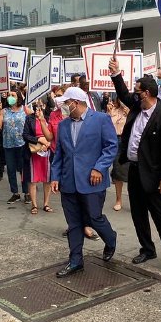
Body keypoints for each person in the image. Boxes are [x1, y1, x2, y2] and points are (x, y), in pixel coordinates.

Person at [109, 58, 161, 275]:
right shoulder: (137, 107)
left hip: (153, 175)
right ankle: (147, 249)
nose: (134, 94)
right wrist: (116, 74)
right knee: (138, 214)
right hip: (134, 170)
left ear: (148, 94)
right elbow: (123, 94)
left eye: (138, 91)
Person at [50, 87, 119, 277]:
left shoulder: (100, 120)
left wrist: (99, 167)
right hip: (69, 182)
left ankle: (110, 239)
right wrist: (55, 176)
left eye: (67, 103)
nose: (64, 106)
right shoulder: (63, 125)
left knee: (94, 218)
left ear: (77, 103)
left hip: (92, 181)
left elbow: (111, 146)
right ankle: (75, 260)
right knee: (74, 223)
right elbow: (59, 155)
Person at [0, 89, 31, 204]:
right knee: (10, 170)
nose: (10, 97)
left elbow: (35, 121)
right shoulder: (4, 111)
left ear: (19, 97)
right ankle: (15, 193)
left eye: (13, 95)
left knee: (23, 170)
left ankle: (27, 193)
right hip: (8, 145)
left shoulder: (25, 109)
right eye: (9, 95)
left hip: (22, 145)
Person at [22, 100, 54, 214]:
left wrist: (49, 143)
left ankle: (46, 203)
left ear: (44, 106)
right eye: (35, 106)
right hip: (34, 152)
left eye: (40, 106)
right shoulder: (29, 118)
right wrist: (38, 140)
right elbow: (25, 135)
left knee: (47, 179)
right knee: (32, 179)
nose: (37, 109)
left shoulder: (49, 117)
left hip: (47, 152)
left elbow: (54, 133)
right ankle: (34, 205)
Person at [107, 97, 130, 212]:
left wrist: (126, 107)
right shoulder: (112, 110)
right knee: (117, 170)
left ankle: (134, 200)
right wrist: (109, 112)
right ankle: (118, 199)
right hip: (115, 139)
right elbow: (108, 125)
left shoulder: (130, 110)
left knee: (131, 172)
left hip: (127, 140)